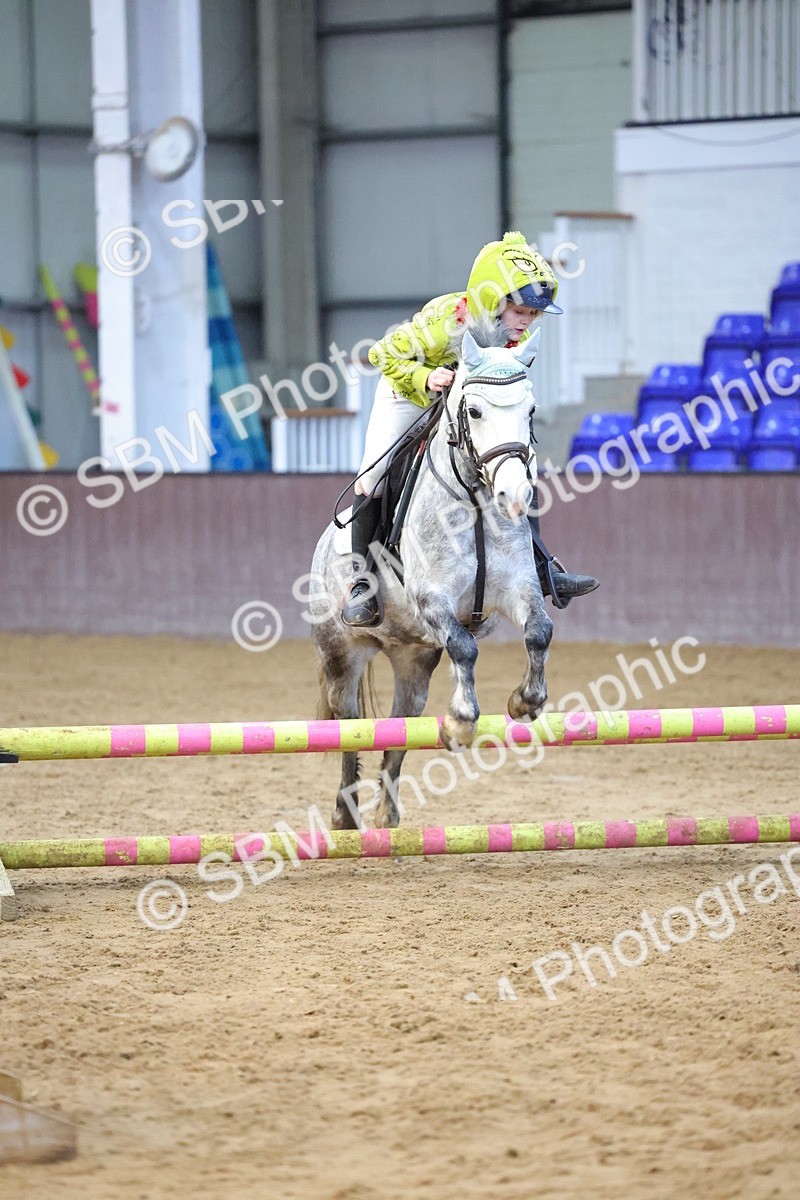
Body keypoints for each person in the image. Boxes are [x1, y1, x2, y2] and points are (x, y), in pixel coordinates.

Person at [341, 230, 598, 628]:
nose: (526, 322)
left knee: (520, 466)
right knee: (372, 477)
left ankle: (541, 567)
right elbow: (382, 354)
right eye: (520, 312)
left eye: (532, 315)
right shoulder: (446, 320)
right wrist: (427, 377)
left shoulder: (514, 337)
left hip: (466, 406)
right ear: (494, 301)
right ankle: (363, 583)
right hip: (408, 394)